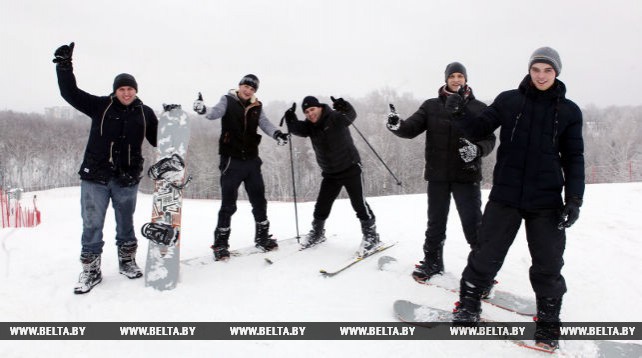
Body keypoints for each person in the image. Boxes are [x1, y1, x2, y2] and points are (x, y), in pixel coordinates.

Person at [446, 47, 584, 351]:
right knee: (486, 252)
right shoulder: (509, 100)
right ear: (529, 70)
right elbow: (479, 128)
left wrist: (574, 199)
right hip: (506, 194)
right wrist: (458, 112)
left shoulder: (570, 111)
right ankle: (469, 303)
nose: (541, 75)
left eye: (548, 70)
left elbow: (574, 157)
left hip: (547, 200)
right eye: (537, 69)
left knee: (548, 262)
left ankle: (548, 324)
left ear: (556, 72)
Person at [53, 42, 159, 294]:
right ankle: (91, 270)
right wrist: (64, 66)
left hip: (127, 178)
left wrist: (174, 127)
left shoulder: (145, 113)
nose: (126, 93)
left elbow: (159, 139)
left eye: (130, 89)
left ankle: (127, 261)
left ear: (136, 90)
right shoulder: (100, 106)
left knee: (126, 222)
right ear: (115, 91)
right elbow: (70, 93)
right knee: (92, 224)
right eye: (122, 89)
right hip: (96, 177)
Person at [387, 62, 496, 282]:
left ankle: (482, 272)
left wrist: (477, 150)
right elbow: (410, 129)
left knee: (473, 224)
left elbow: (490, 139)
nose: (456, 80)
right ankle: (433, 262)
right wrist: (397, 125)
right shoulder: (431, 106)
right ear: (446, 79)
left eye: (460, 76)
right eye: (452, 76)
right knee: (435, 222)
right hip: (437, 176)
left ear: (466, 79)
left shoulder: (478, 108)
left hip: (467, 175)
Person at [192, 74, 289, 261]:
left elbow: (265, 124)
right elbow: (214, 113)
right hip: (231, 160)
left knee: (259, 200)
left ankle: (262, 237)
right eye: (246, 86)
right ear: (239, 86)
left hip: (252, 161)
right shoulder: (227, 100)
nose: (248, 91)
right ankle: (220, 244)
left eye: (252, 89)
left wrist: (277, 134)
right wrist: (203, 109)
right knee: (228, 204)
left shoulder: (257, 106)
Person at [283, 96, 381, 256]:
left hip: (350, 167)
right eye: (306, 112)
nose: (310, 114)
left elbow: (350, 116)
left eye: (312, 109)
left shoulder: (335, 117)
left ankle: (372, 236)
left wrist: (345, 106)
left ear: (320, 107)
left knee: (359, 204)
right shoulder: (310, 126)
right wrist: (290, 119)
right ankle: (318, 233)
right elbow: (296, 129)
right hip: (330, 173)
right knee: (321, 205)